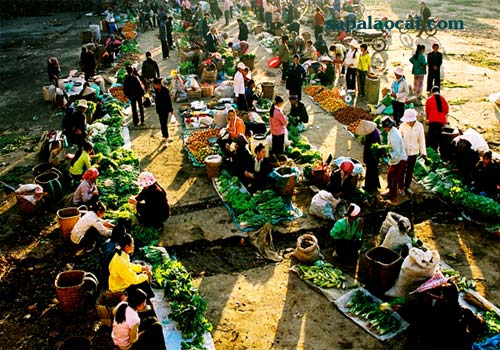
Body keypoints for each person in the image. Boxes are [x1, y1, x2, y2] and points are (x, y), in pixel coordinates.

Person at [108, 233, 155, 299]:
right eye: (132, 244)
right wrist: (146, 275)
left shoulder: (120, 254)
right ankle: (150, 299)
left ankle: (149, 298)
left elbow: (129, 265)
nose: (133, 245)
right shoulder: (121, 261)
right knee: (143, 282)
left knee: (141, 271)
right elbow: (134, 280)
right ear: (127, 246)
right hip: (120, 288)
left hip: (119, 282)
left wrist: (141, 268)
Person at [399, 109, 426, 195]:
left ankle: (407, 187)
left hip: (414, 153)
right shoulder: (403, 126)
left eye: (410, 121)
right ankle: (401, 187)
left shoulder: (419, 126)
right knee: (401, 170)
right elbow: (399, 138)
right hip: (403, 152)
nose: (408, 123)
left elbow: (421, 140)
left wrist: (423, 153)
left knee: (410, 171)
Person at [381, 116, 408, 205]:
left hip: (400, 159)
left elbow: (397, 151)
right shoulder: (391, 132)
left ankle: (394, 199)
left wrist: (389, 156)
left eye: (384, 127)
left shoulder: (394, 136)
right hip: (397, 158)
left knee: (393, 179)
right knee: (389, 175)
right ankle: (390, 192)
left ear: (387, 127)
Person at [355, 120, 381, 193]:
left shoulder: (373, 136)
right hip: (372, 156)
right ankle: (374, 186)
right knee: (373, 171)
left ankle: (370, 187)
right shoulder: (374, 131)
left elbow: (369, 148)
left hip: (372, 156)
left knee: (370, 171)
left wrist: (366, 158)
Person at [425, 86, 449, 151]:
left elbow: (427, 112)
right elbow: (446, 110)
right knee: (438, 136)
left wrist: (428, 118)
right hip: (441, 121)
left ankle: (430, 150)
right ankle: (437, 150)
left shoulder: (429, 100)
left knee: (431, 137)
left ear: (431, 92)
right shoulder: (443, 99)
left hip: (432, 121)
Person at [152, 78, 174, 145]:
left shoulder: (165, 90)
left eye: (154, 84)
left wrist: (171, 110)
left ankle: (166, 138)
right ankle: (165, 136)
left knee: (164, 124)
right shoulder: (156, 90)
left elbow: (168, 101)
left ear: (158, 84)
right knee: (162, 124)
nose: (153, 86)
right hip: (159, 110)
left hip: (165, 109)